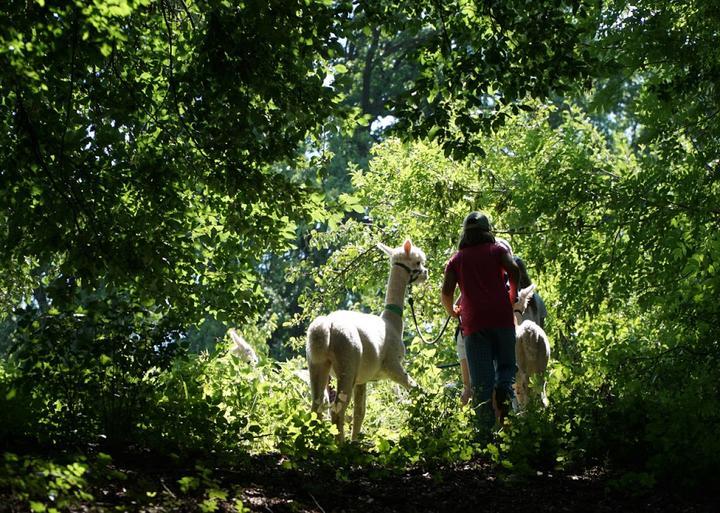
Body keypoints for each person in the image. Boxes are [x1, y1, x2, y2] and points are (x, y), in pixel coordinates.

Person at [441, 212, 520, 434]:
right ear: (488, 231)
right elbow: (514, 270)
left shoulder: (457, 260)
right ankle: (504, 390)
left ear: (465, 234)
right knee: (506, 367)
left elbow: (447, 292)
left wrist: (453, 311)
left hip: (474, 325)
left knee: (481, 384)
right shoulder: (497, 251)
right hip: (502, 318)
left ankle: (485, 437)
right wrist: (512, 296)